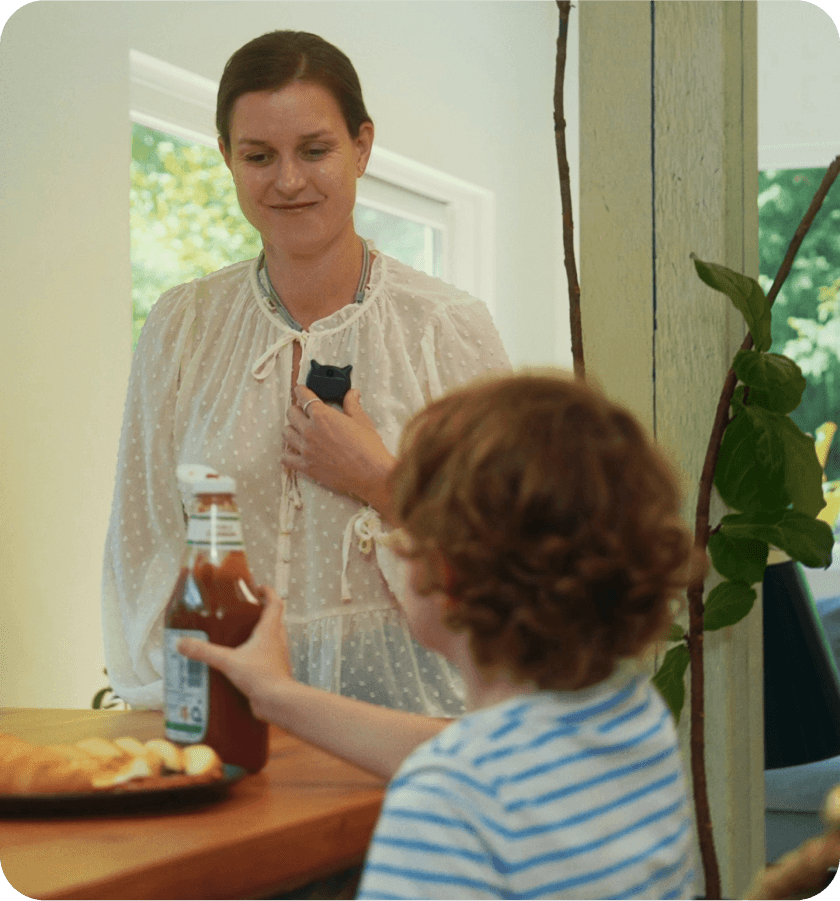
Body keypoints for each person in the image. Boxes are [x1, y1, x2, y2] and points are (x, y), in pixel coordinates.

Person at [178, 370, 704, 900]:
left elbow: (459, 772)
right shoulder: (632, 717)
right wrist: (276, 696)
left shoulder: (449, 801)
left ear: (444, 575)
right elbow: (469, 754)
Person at [101, 30, 509, 712]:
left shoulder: (445, 328)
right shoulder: (182, 328)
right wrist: (174, 702)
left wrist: (384, 481)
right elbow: (144, 548)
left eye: (314, 150)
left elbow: (514, 555)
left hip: (418, 726)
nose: (287, 180)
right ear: (226, 156)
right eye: (259, 155)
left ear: (362, 147)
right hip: (234, 716)